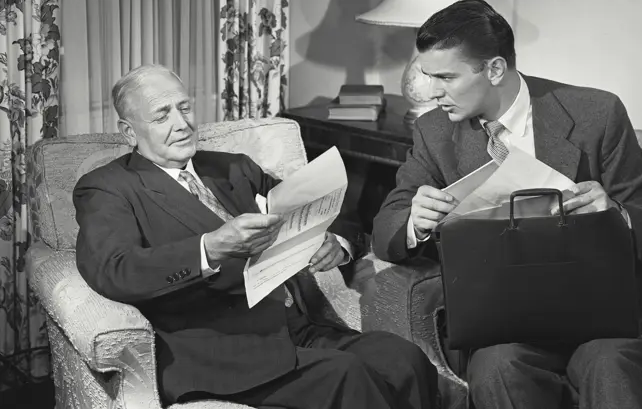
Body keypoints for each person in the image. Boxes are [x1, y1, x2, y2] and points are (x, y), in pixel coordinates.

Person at [73, 64, 439, 409]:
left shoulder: (232, 167)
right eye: (161, 115)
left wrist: (337, 244)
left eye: (184, 108)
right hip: (218, 350)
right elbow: (114, 269)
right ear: (128, 132)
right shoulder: (107, 188)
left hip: (297, 325)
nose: (182, 124)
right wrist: (210, 249)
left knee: (404, 359)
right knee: (347, 376)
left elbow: (326, 203)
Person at [372, 0, 642, 409]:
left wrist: (615, 215)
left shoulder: (597, 114)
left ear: (495, 69)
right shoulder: (433, 132)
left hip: (611, 312)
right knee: (498, 367)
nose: (433, 91)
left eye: (446, 77)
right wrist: (414, 221)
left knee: (608, 365)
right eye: (429, 76)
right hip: (506, 323)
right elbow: (384, 230)